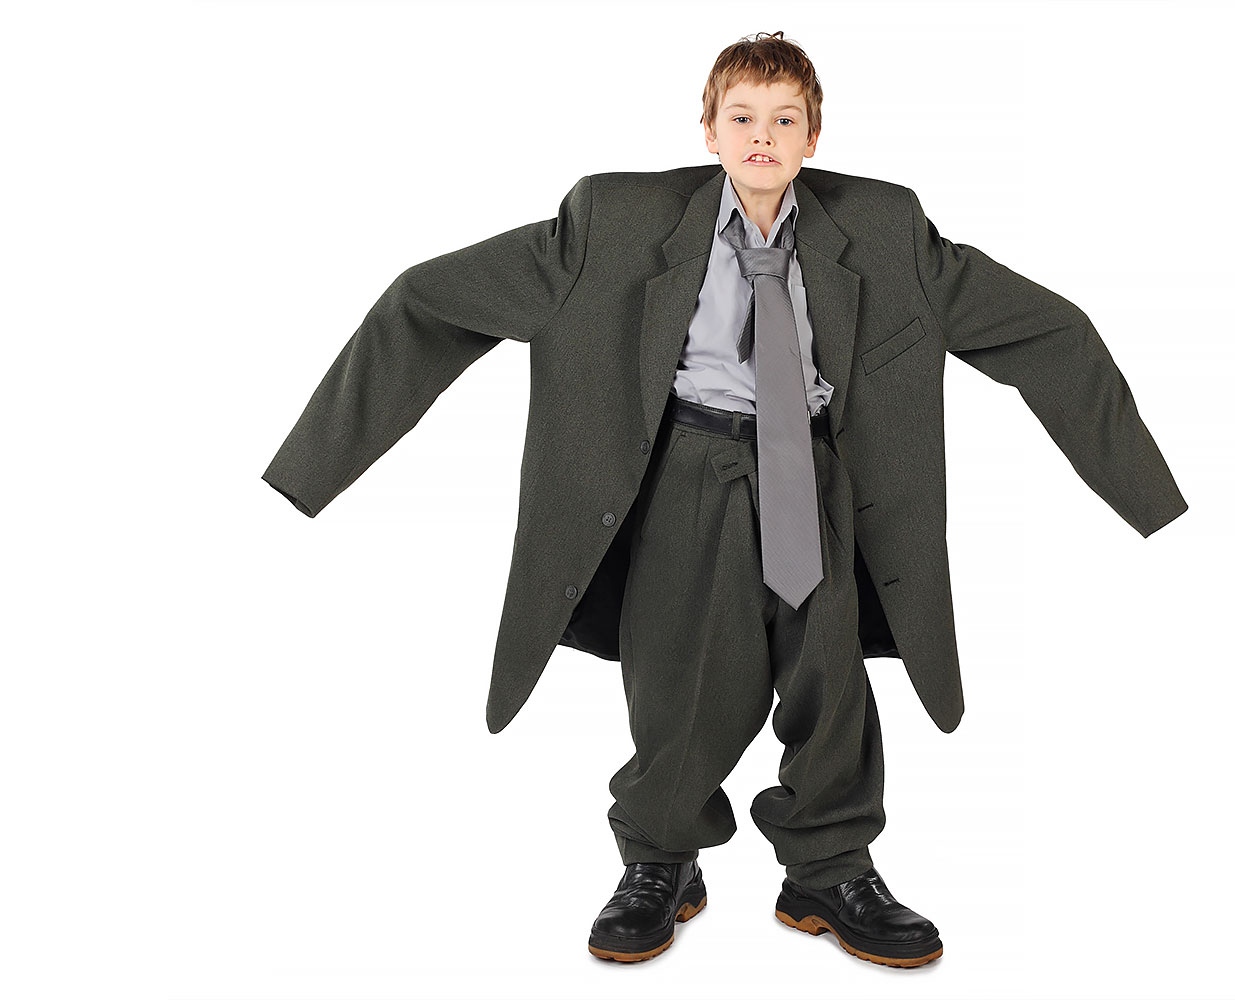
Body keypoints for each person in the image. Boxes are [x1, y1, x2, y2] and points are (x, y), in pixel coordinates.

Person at [262, 30, 1188, 970]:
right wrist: (309, 472)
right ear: (708, 131)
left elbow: (1049, 330)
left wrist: (1151, 500)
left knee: (830, 670)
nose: (762, 137)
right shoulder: (611, 218)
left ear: (813, 137)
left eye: (785, 120)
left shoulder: (887, 226)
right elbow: (427, 300)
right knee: (680, 667)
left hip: (814, 472)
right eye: (742, 117)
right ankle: (660, 861)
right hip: (688, 467)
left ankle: (830, 868)